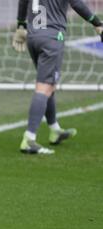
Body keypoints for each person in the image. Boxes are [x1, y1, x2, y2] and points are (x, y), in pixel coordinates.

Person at [13, 0, 103, 154]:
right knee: (44, 87)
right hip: (52, 38)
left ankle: (55, 130)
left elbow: (23, 2)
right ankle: (29, 138)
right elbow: (77, 4)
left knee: (48, 84)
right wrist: (97, 23)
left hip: (33, 37)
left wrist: (21, 25)